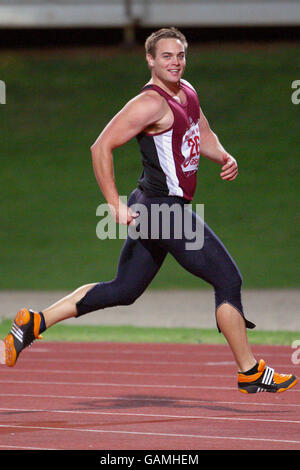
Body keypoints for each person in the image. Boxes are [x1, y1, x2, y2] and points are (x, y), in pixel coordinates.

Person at [1, 27, 297, 394]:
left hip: (155, 209)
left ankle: (34, 322)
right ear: (150, 60)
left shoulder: (186, 91)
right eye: (167, 56)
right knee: (228, 280)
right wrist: (113, 203)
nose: (175, 62)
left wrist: (222, 153)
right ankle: (249, 370)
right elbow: (100, 147)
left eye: (180, 55)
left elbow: (199, 130)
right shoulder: (150, 103)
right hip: (163, 211)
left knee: (124, 289)